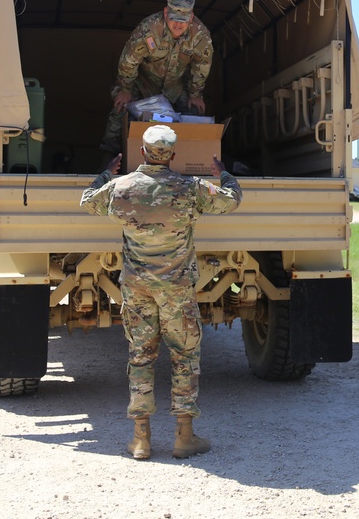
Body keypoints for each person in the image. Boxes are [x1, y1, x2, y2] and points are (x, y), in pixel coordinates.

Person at [80, 125, 242, 460]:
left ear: (142, 152)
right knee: (185, 357)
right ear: (172, 155)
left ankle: (141, 439)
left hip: (137, 288)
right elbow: (231, 201)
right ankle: (184, 436)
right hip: (177, 291)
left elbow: (87, 202)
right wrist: (225, 174)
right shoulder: (189, 188)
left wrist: (105, 174)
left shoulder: (120, 188)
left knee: (141, 357)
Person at [99, 0, 214, 161]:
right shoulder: (148, 29)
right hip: (141, 82)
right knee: (120, 108)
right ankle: (108, 159)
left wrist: (195, 94)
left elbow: (202, 65)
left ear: (191, 18)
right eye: (174, 18)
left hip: (174, 87)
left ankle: (188, 162)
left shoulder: (200, 36)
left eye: (183, 21)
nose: (178, 25)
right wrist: (126, 89)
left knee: (194, 113)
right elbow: (129, 60)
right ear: (166, 12)